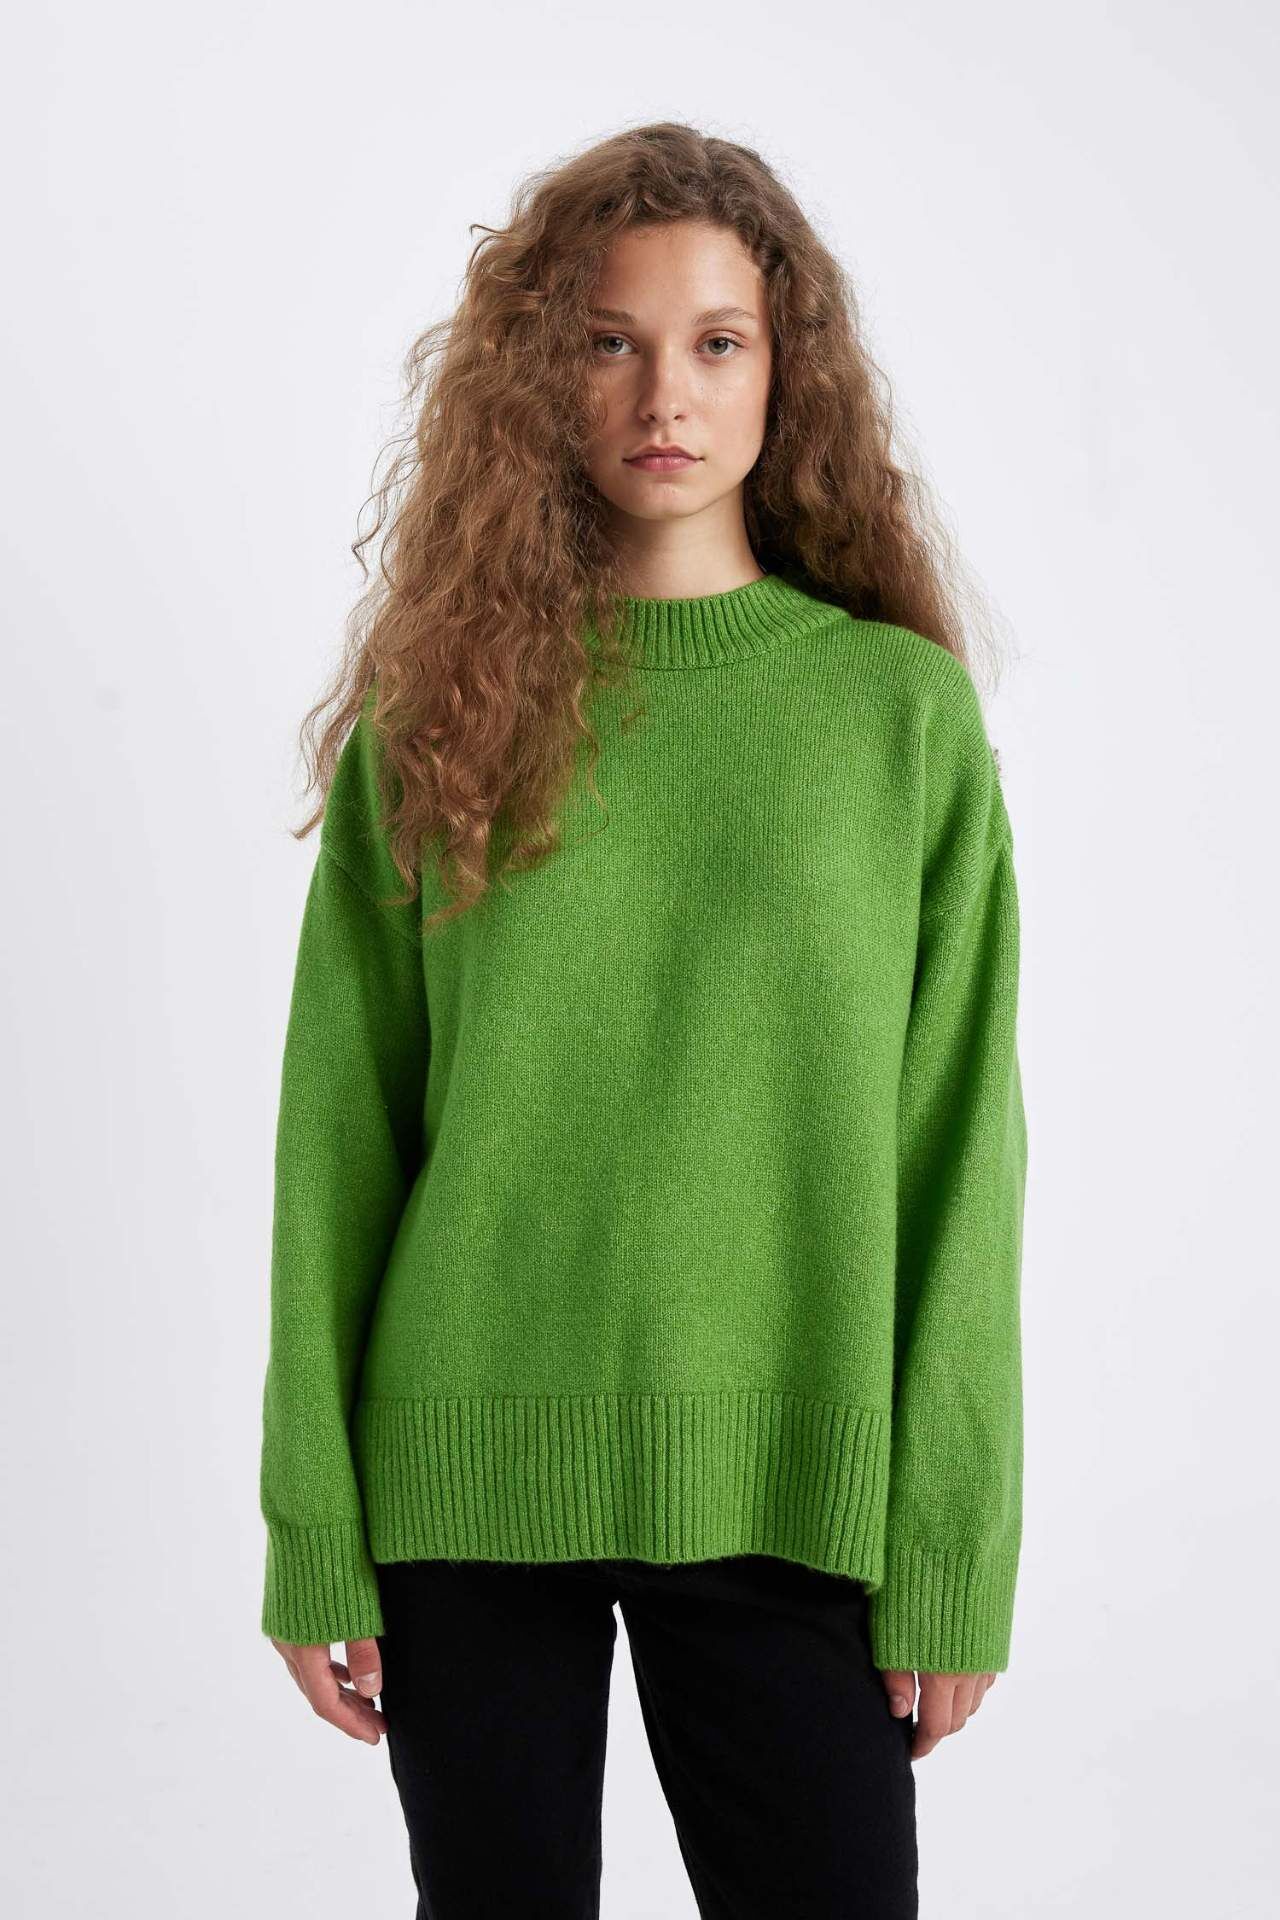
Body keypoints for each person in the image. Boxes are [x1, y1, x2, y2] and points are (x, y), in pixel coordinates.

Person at [258, 121, 1028, 1919]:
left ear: (785, 373)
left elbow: (957, 1153)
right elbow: (338, 1133)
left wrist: (952, 1549)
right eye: (607, 340)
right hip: (462, 1476)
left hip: (791, 1482)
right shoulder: (438, 716)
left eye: (716, 341)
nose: (663, 392)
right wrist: (313, 1524)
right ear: (542, 374)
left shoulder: (898, 722)